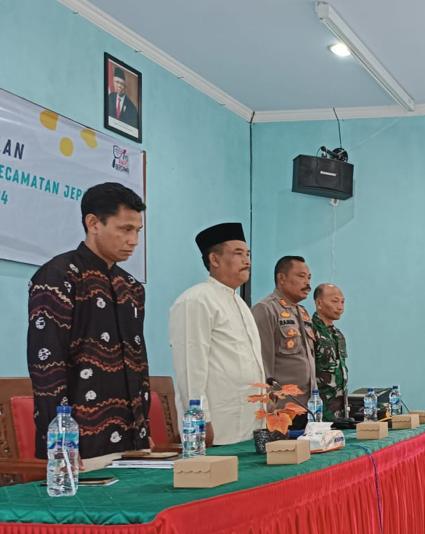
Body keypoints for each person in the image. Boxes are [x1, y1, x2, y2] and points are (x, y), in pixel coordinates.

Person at [27, 182, 149, 464]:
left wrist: (144, 429)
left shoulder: (131, 287)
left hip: (132, 440)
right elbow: (46, 365)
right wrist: (61, 443)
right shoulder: (58, 276)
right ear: (93, 223)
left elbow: (138, 363)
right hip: (80, 444)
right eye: (125, 229)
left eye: (137, 231)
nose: (133, 240)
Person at [168, 223, 265, 445]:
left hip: (250, 424)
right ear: (214, 259)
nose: (247, 261)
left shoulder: (240, 304)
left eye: (248, 254)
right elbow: (190, 367)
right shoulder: (196, 300)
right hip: (217, 428)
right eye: (238, 253)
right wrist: (200, 420)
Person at [251, 256, 316, 428]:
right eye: (301, 276)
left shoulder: (302, 312)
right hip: (282, 410)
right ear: (281, 278)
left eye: (309, 277)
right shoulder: (266, 309)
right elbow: (262, 363)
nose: (307, 282)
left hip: (308, 407)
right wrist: (269, 406)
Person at [311, 283, 349, 421]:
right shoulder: (309, 331)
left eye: (342, 302)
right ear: (319, 303)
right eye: (334, 301)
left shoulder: (338, 335)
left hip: (340, 412)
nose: (340, 307)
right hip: (319, 411)